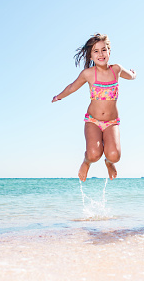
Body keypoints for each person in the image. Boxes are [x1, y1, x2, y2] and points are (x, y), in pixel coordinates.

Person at [52, 33, 136, 181]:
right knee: (93, 154)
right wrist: (59, 96)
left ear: (109, 51)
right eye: (96, 51)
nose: (101, 54)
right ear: (91, 56)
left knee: (115, 156)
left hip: (112, 122)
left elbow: (130, 75)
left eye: (104, 50)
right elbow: (72, 87)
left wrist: (134, 75)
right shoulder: (88, 74)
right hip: (93, 120)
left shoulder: (116, 69)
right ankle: (86, 162)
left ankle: (108, 163)